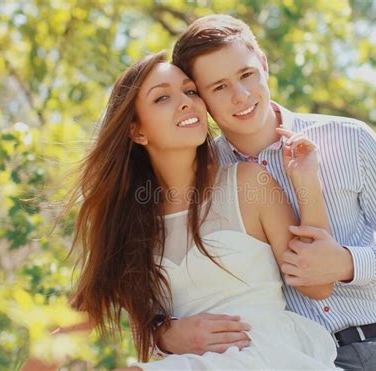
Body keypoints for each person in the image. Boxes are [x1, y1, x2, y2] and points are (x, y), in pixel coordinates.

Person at [152, 14, 376, 370]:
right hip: (293, 358)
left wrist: (347, 262)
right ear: (201, 98)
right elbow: (169, 284)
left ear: (264, 65)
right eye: (219, 87)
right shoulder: (206, 179)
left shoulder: (350, 139)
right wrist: (164, 332)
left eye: (247, 75)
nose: (241, 96)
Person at [22, 52, 339, 370]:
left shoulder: (248, 182)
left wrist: (306, 181)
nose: (187, 102)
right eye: (162, 98)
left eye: (190, 91)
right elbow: (75, 322)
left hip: (266, 352)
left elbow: (318, 285)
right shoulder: (129, 221)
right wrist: (163, 332)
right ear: (137, 132)